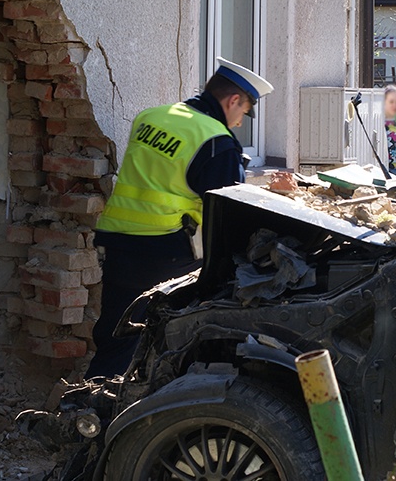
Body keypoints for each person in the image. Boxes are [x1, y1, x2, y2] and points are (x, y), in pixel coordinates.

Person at [86, 58, 273, 379]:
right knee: (175, 341)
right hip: (166, 254)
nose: (241, 122)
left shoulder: (151, 117)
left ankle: (88, 412)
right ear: (233, 101)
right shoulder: (216, 141)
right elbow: (229, 216)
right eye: (244, 112)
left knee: (116, 337)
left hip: (116, 243)